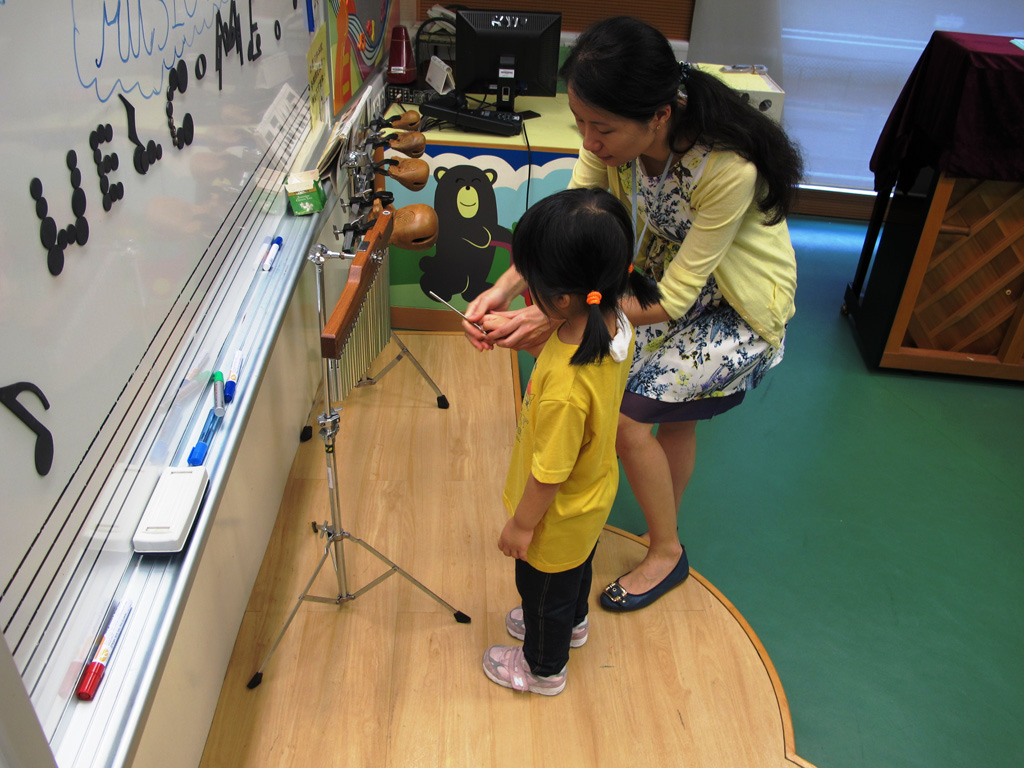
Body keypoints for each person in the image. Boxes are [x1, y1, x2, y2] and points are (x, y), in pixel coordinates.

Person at [465, 17, 803, 612]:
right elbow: (567, 224)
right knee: (661, 416)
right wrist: (510, 283)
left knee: (626, 420)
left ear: (659, 115)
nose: (589, 140)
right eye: (580, 123)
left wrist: (554, 315)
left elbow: (675, 300)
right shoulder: (612, 137)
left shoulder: (727, 168)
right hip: (650, 283)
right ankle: (651, 519)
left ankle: (667, 550)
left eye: (601, 128)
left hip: (733, 305)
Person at [482, 188, 659, 695]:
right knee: (575, 571)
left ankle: (543, 668)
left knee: (542, 590)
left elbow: (549, 472)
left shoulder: (566, 387)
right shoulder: (615, 324)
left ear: (561, 299)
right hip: (592, 493)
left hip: (553, 516)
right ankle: (573, 620)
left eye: (532, 282)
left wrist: (521, 526)